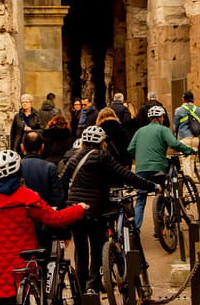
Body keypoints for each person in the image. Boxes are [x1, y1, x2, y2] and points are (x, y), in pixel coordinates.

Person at [0, 150, 87, 305]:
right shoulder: (27, 198)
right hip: (21, 260)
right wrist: (79, 209)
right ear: (19, 171)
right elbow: (54, 218)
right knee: (21, 296)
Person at [61, 126, 158, 294]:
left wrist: (66, 204)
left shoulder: (74, 158)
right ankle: (92, 286)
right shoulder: (103, 156)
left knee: (81, 252)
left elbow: (62, 182)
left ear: (83, 142)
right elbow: (126, 175)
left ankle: (81, 291)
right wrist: (152, 186)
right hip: (96, 210)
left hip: (75, 211)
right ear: (102, 142)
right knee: (98, 249)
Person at [127, 105, 195, 231]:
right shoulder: (163, 130)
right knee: (161, 193)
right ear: (160, 117)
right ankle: (158, 227)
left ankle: (135, 229)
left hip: (141, 169)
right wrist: (188, 150)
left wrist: (140, 159)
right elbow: (174, 143)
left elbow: (130, 149)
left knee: (141, 199)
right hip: (158, 168)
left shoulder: (140, 131)